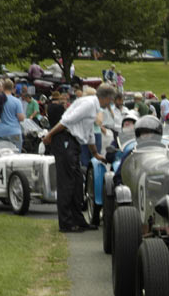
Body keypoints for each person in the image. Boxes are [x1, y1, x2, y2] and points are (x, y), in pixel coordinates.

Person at [42, 83, 115, 233]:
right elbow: (66, 121)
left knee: (76, 183)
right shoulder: (89, 104)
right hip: (65, 140)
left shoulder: (92, 105)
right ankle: (66, 223)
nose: (111, 103)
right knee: (67, 183)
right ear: (107, 98)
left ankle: (78, 219)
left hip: (73, 142)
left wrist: (95, 153)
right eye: (111, 100)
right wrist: (50, 135)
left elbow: (88, 133)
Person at [0, 79, 25, 151]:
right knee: (17, 155)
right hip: (14, 132)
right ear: (13, 88)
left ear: (3, 87)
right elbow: (21, 118)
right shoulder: (16, 101)